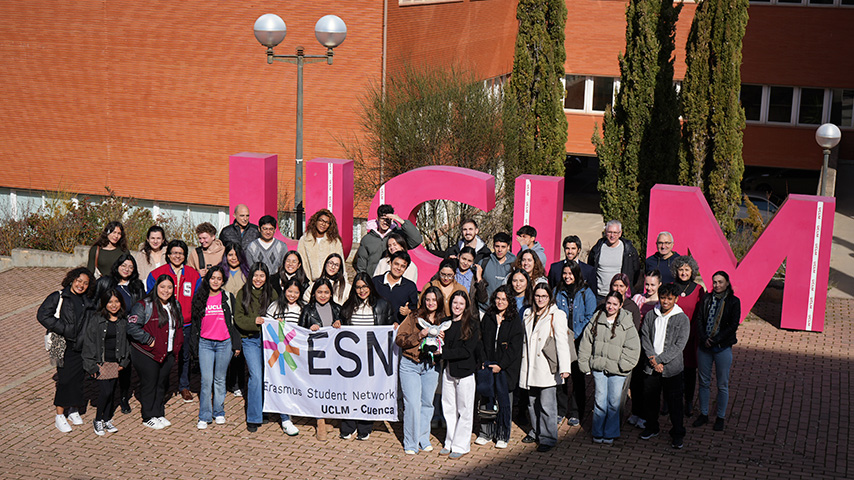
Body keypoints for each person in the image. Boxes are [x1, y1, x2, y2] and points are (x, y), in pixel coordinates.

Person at [235, 263, 294, 434]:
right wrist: (253, 322)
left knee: (270, 375)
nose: (258, 279)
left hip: (270, 340)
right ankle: (253, 416)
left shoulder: (272, 293)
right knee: (256, 375)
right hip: (251, 340)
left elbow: (278, 313)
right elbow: (238, 318)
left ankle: (265, 409)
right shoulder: (242, 293)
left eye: (262, 276)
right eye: (255, 275)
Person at [338, 272, 396, 440]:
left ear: (370, 287)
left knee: (367, 391)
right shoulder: (347, 306)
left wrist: (394, 325)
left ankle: (365, 425)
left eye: (365, 286)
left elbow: (389, 327)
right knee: (350, 391)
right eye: (358, 287)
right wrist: (338, 324)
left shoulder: (383, 305)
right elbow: (341, 324)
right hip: (352, 358)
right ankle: (348, 425)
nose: (362, 290)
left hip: (373, 356)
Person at [577, 290, 640, 444]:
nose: (611, 307)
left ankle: (610, 433)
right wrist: (585, 363)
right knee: (599, 399)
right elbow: (587, 341)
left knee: (614, 402)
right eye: (609, 303)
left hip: (618, 370)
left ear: (620, 305)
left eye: (614, 304)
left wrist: (622, 365)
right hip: (599, 367)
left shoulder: (626, 322)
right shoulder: (597, 318)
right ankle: (598, 432)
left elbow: (633, 347)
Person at [37, 267, 94, 433]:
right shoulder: (59, 296)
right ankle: (59, 415)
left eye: (85, 283)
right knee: (65, 379)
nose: (81, 285)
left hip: (82, 345)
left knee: (78, 379)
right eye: (78, 281)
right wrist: (64, 328)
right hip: (62, 343)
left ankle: (73, 409)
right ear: (72, 279)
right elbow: (42, 315)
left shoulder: (87, 300)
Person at [519, 283, 573, 453]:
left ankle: (548, 437)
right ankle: (536, 431)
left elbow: (562, 342)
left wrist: (564, 368)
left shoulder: (556, 315)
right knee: (532, 402)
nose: (540, 299)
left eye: (544, 296)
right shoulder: (528, 313)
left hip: (546, 367)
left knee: (547, 404)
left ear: (550, 297)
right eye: (537, 296)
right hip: (529, 365)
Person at [127, 274, 184, 430]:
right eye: (162, 287)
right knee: (149, 383)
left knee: (161, 384)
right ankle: (148, 415)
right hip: (147, 353)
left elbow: (178, 327)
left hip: (168, 353)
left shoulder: (175, 305)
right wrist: (148, 339)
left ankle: (158, 413)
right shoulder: (144, 305)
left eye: (169, 287)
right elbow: (132, 327)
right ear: (156, 287)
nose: (166, 290)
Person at [147, 239, 200, 403]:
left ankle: (184, 385)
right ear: (168, 255)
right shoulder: (156, 274)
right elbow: (150, 297)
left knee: (185, 356)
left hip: (186, 323)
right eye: (174, 253)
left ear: (185, 255)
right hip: (164, 322)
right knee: (164, 355)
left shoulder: (193, 274)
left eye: (181, 253)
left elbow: (198, 299)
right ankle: (161, 386)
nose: (177, 256)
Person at [188, 266, 242, 430]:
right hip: (205, 344)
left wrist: (236, 344)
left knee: (220, 380)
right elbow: (195, 326)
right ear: (208, 279)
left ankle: (219, 412)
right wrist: (194, 347)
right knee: (206, 381)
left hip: (224, 344)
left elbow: (234, 323)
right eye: (213, 278)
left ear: (223, 281)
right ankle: (204, 415)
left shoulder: (228, 297)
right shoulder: (199, 298)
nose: (216, 281)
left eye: (219, 278)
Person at [92, 253, 145, 414]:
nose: (127, 269)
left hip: (128, 332)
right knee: (110, 364)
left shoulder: (137, 286)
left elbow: (141, 307)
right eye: (124, 266)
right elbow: (95, 304)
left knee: (125, 367)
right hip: (110, 331)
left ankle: (123, 397)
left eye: (130, 266)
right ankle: (109, 396)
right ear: (117, 266)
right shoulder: (106, 282)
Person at [639, 283, 690, 449]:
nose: (665, 301)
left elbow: (679, 345)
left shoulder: (682, 319)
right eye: (663, 298)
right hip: (651, 366)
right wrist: (652, 359)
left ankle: (677, 433)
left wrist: (660, 361)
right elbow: (645, 336)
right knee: (650, 400)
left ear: (675, 299)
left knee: (675, 404)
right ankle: (652, 427)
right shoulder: (650, 315)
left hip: (672, 369)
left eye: (669, 298)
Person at [395, 286, 445, 454]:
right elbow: (399, 339)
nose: (431, 303)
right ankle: (410, 442)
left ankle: (423, 437)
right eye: (428, 299)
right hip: (410, 364)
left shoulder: (443, 320)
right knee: (412, 404)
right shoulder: (413, 317)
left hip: (431, 366)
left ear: (439, 301)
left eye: (434, 300)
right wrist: (420, 335)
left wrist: (443, 342)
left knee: (427, 404)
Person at [475, 286, 523, 449]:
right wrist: (483, 361)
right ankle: (485, 432)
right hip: (487, 365)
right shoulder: (488, 317)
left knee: (504, 402)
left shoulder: (514, 319)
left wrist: (501, 365)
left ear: (509, 301)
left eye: (504, 299)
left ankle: (502, 434)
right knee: (486, 399)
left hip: (505, 369)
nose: (500, 302)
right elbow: (480, 341)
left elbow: (515, 348)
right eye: (498, 298)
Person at [693, 270, 740, 432]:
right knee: (704, 382)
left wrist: (716, 339)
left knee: (722, 384)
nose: (717, 285)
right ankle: (704, 413)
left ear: (727, 283)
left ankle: (720, 416)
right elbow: (699, 319)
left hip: (722, 347)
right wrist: (704, 337)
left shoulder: (734, 302)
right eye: (714, 282)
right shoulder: (706, 298)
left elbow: (733, 325)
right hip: (704, 346)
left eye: (720, 282)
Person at [553, 261, 597, 428]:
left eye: (571, 273)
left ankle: (576, 412)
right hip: (561, 339)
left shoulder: (586, 292)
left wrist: (574, 334)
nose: (567, 276)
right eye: (565, 273)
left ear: (577, 274)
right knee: (561, 376)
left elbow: (589, 317)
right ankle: (560, 409)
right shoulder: (557, 291)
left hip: (579, 341)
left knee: (578, 378)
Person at [82, 288, 131, 435]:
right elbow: (89, 343)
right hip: (101, 362)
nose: (113, 305)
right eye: (110, 302)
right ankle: (98, 420)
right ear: (104, 303)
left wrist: (124, 362)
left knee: (111, 392)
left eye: (116, 301)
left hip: (115, 362)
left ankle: (107, 419)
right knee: (106, 391)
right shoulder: (97, 320)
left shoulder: (123, 321)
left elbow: (127, 344)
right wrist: (91, 366)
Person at [299, 278, 343, 440]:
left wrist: (340, 323)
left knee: (330, 388)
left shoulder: (338, 309)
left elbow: (346, 329)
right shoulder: (307, 310)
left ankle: (327, 418)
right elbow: (300, 332)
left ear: (331, 294)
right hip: (316, 356)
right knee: (317, 388)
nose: (323, 295)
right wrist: (309, 330)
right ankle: (320, 422)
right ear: (314, 293)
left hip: (334, 356)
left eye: (326, 292)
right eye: (319, 292)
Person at [439, 291, 480, 459]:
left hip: (465, 372)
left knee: (464, 409)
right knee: (448, 408)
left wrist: (443, 352)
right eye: (455, 303)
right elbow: (440, 344)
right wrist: (439, 340)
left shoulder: (472, 324)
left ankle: (461, 445)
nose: (457, 306)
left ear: (466, 306)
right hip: (448, 371)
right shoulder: (445, 323)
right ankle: (449, 441)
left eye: (461, 303)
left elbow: (466, 350)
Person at [263, 276, 303, 436]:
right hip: (279, 354)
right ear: (284, 291)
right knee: (282, 383)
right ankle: (285, 418)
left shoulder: (302, 308)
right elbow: (267, 325)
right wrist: (273, 323)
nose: (292, 295)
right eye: (289, 291)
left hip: (295, 354)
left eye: (296, 292)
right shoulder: (275, 307)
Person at [670, 256, 705, 416]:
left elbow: (700, 314)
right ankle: (668, 401)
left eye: (686, 270)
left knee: (689, 371)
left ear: (692, 272)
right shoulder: (670, 287)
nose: (683, 273)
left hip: (690, 337)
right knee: (671, 370)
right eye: (681, 269)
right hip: (672, 337)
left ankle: (688, 401)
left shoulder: (698, 290)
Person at [355, 204, 423, 275]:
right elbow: (361, 264)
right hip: (373, 281)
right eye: (382, 219)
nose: (385, 222)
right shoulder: (367, 239)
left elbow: (416, 240)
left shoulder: (398, 235)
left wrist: (401, 221)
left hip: (396, 279)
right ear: (377, 219)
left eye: (388, 219)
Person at [587, 220, 641, 302]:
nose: (612, 235)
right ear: (605, 232)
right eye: (609, 232)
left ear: (620, 233)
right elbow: (591, 268)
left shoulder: (629, 251)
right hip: (599, 295)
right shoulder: (597, 248)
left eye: (615, 232)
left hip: (619, 296)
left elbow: (636, 272)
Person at [221, 242, 249, 397]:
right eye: (230, 254)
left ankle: (237, 383)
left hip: (240, 317)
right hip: (223, 318)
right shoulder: (221, 272)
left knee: (239, 353)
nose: (233, 258)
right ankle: (223, 382)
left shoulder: (246, 273)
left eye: (236, 255)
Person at [297, 209, 345, 281]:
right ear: (315, 221)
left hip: (331, 284)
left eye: (327, 222)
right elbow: (302, 263)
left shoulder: (335, 242)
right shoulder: (305, 240)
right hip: (310, 283)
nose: (323, 224)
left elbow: (341, 265)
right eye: (321, 220)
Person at [373, 251, 419, 324]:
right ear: (390, 263)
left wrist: (408, 311)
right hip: (376, 327)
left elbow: (415, 310)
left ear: (406, 268)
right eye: (396, 264)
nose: (399, 268)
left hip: (399, 329)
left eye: (403, 266)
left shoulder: (410, 286)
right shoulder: (376, 282)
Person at [475, 232, 516, 312]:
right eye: (497, 246)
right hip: (484, 310)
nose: (500, 250)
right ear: (493, 246)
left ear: (508, 247)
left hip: (505, 311)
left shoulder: (514, 265)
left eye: (503, 247)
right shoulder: (484, 263)